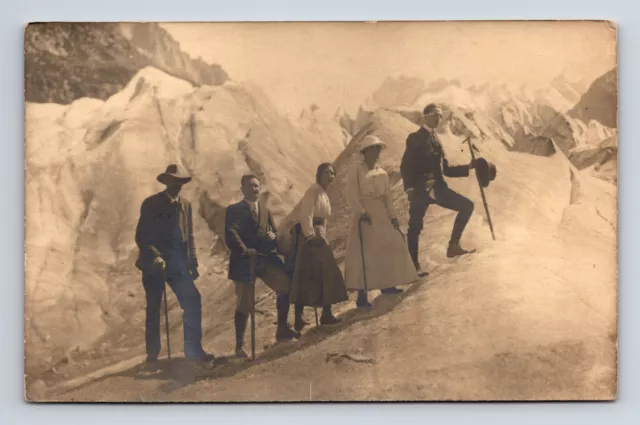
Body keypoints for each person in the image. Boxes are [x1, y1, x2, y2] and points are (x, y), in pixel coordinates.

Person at [134, 164, 214, 363]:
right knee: (154, 307)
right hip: (155, 264)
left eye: (180, 182)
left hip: (177, 264)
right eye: (172, 182)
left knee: (193, 299)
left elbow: (190, 236)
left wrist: (193, 263)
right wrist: (155, 255)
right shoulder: (151, 204)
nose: (176, 186)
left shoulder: (186, 205)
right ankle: (152, 354)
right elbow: (141, 235)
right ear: (165, 182)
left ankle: (193, 350)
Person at [224, 174, 299, 358]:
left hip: (265, 259)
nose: (255, 189)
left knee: (285, 286)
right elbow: (231, 233)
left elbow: (273, 231)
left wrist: (273, 236)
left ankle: (282, 329)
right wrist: (244, 249)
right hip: (244, 262)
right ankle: (239, 347)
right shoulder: (234, 210)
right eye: (250, 186)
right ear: (242, 189)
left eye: (257, 186)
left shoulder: (265, 210)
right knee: (244, 303)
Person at [344, 135, 420, 308]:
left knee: (390, 244)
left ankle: (388, 285)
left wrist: (393, 218)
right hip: (364, 215)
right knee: (364, 253)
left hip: (380, 214)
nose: (377, 152)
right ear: (366, 151)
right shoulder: (356, 170)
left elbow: (387, 199)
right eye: (374, 148)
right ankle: (361, 296)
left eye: (378, 148)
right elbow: (351, 194)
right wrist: (361, 213)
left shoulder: (382, 173)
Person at [400, 103, 476, 272]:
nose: (439, 118)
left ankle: (453, 246)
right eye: (435, 114)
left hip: (438, 189)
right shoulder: (415, 138)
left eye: (440, 115)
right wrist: (410, 189)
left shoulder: (436, 140)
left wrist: (468, 167)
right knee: (415, 227)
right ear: (426, 116)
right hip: (420, 190)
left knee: (467, 206)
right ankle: (413, 267)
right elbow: (406, 165)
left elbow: (446, 169)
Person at [288, 163, 348, 330]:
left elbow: (324, 219)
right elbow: (306, 213)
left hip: (320, 234)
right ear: (319, 174)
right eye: (327, 173)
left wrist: (323, 235)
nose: (330, 177)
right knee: (306, 274)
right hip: (311, 237)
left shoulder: (324, 194)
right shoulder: (313, 190)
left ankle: (326, 313)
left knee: (325, 273)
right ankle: (300, 318)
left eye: (333, 174)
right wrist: (310, 236)